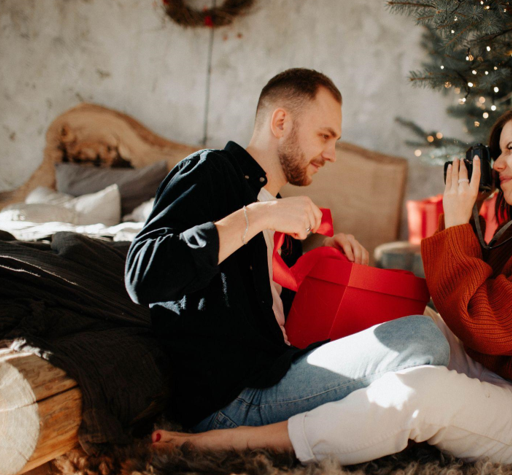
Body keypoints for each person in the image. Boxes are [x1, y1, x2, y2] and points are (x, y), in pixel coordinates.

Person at [151, 96, 512, 468]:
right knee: (413, 321)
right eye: (497, 151)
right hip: (511, 373)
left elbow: (486, 324)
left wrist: (458, 223)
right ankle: (356, 420)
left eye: (510, 151)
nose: (498, 164)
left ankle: (235, 440)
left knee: (420, 394)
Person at [126, 68, 450, 440]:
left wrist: (322, 263)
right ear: (281, 122)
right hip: (233, 399)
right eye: (324, 136)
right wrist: (259, 216)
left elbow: (276, 318)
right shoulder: (209, 173)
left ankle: (303, 437)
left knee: (429, 326)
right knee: (425, 338)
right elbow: (143, 275)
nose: (331, 155)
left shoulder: (282, 214)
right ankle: (231, 442)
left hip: (280, 371)